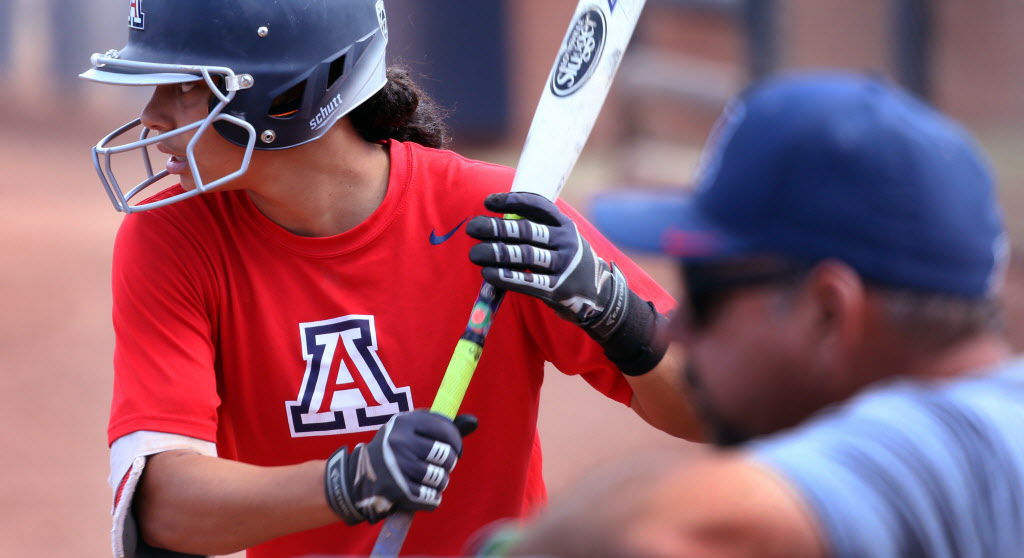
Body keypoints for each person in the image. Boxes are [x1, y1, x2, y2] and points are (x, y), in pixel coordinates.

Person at [79, 1, 694, 557]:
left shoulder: (492, 215)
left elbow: (706, 410)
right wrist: (351, 481)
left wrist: (616, 311)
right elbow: (166, 512)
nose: (152, 117)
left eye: (183, 88)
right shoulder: (173, 237)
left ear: (286, 96)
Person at [468, 73, 1024, 557]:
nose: (675, 326)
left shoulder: (932, 453)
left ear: (829, 311)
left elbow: (658, 534)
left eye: (706, 296)